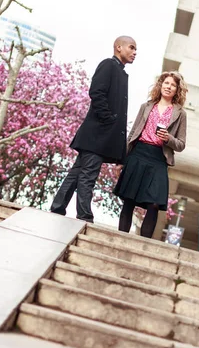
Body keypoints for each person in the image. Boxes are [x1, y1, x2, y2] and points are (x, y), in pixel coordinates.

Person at [50, 36, 137, 222]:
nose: (135, 52)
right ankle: (84, 215)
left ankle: (58, 207)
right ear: (118, 47)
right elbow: (96, 92)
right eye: (131, 47)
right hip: (98, 134)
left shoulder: (120, 71)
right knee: (88, 175)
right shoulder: (108, 65)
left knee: (77, 172)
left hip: (99, 135)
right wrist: (108, 119)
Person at [114, 71, 187, 238]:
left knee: (154, 204)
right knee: (129, 201)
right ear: (160, 85)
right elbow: (132, 134)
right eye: (166, 83)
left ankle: (145, 245)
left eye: (173, 85)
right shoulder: (146, 106)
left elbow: (181, 144)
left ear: (177, 90)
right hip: (138, 154)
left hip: (159, 159)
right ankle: (120, 240)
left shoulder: (180, 113)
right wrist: (122, 160)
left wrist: (168, 139)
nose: (169, 87)